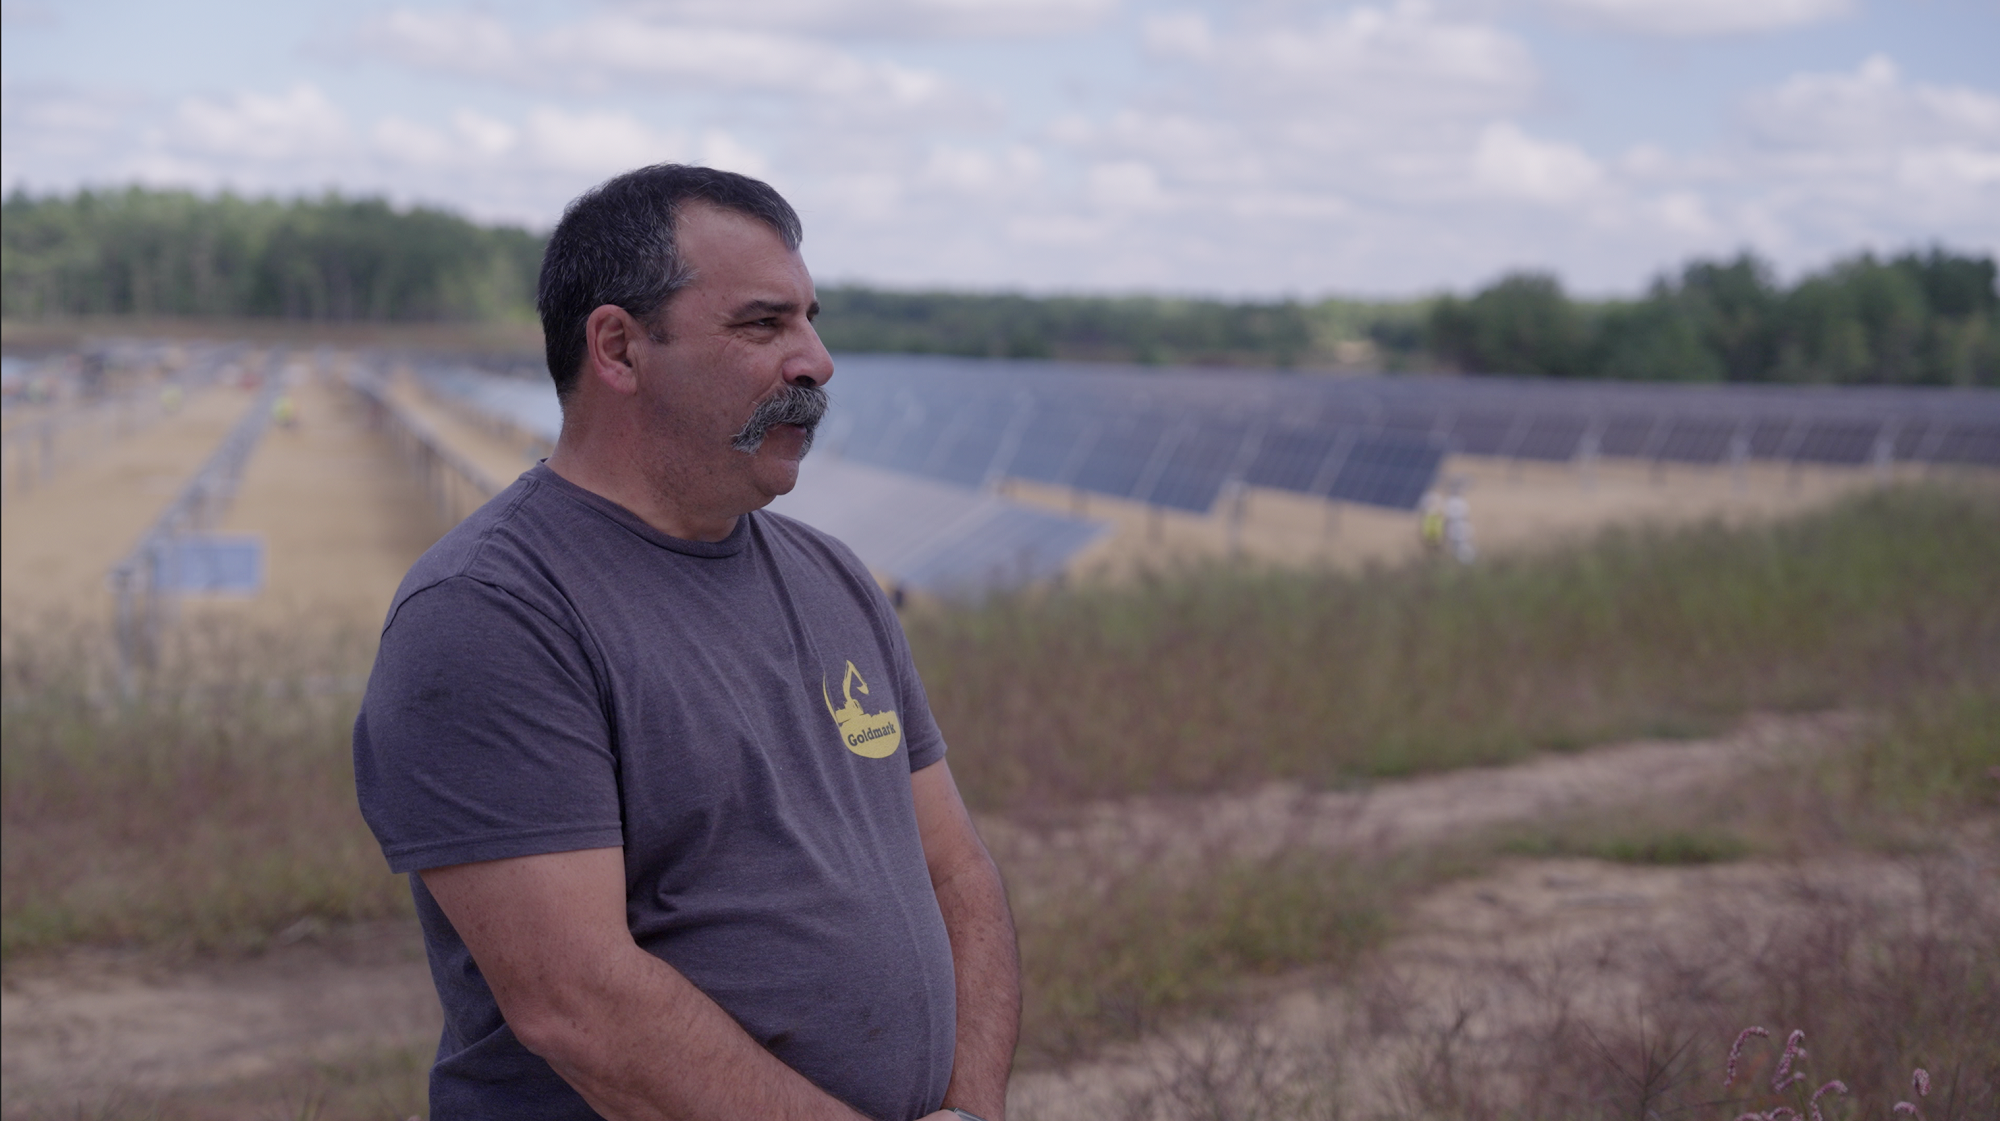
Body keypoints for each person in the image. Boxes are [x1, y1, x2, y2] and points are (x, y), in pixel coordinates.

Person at [353, 164, 1020, 1121]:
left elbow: (956, 872)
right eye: (763, 324)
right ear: (619, 349)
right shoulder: (491, 614)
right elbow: (578, 1005)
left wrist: (969, 1106)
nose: (817, 361)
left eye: (810, 319)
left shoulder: (834, 581)